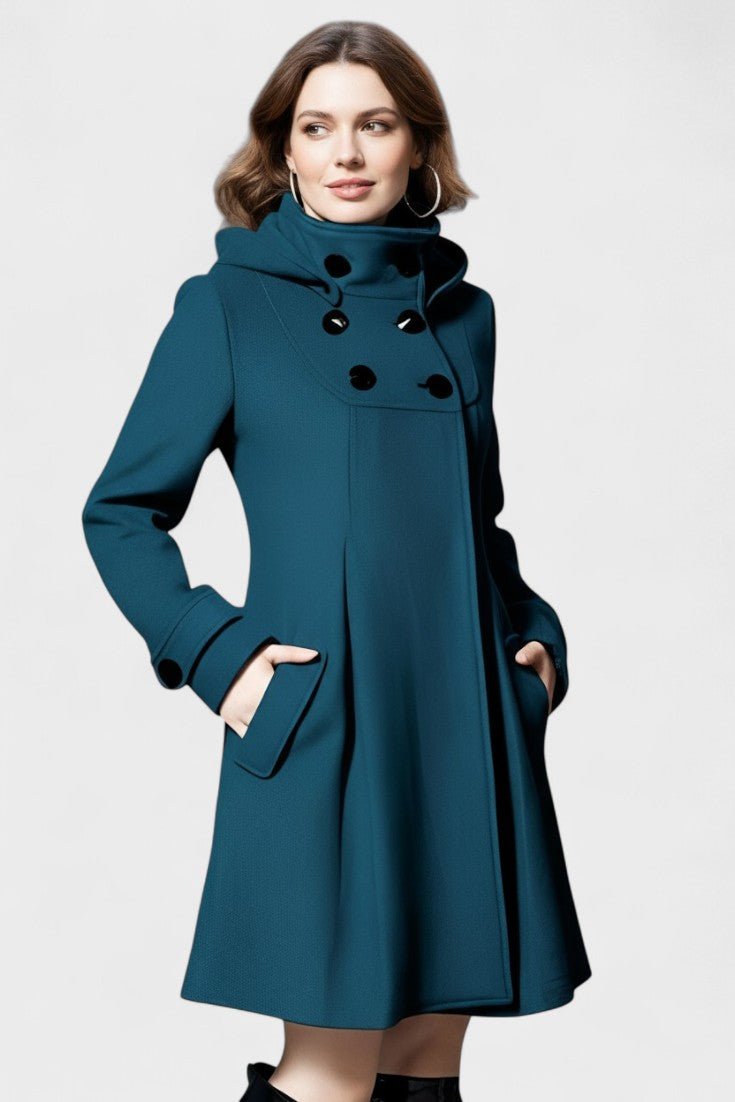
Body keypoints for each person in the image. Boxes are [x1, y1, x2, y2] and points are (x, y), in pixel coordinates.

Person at [81, 20, 592, 1102]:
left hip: (464, 719)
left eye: (376, 124)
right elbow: (121, 512)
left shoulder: (463, 316)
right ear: (283, 148)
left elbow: (474, 518)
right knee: (327, 1074)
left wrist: (534, 643)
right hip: (332, 718)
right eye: (317, 128)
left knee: (425, 1065)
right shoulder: (228, 306)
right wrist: (221, 658)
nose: (346, 153)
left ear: (419, 146)